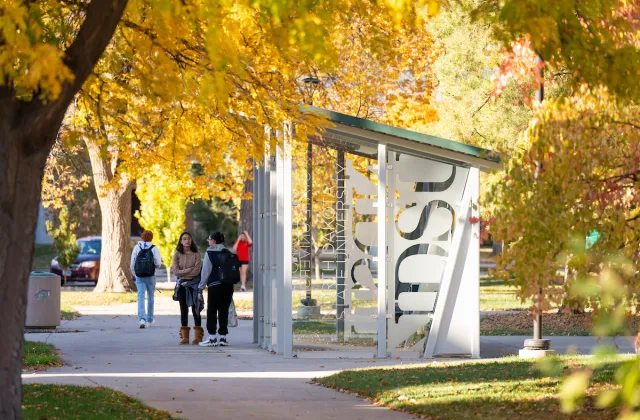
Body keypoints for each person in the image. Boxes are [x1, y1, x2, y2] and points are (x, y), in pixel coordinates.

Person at [199, 232, 234, 347]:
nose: (208, 241)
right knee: (224, 311)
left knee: (212, 311)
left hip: (214, 285)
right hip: (228, 286)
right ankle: (223, 337)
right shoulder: (228, 252)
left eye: (209, 239)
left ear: (213, 241)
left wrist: (201, 287)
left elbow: (205, 272)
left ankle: (212, 337)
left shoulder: (210, 253)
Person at [172, 232, 204, 345]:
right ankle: (185, 337)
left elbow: (197, 271)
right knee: (183, 310)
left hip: (194, 285)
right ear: (181, 241)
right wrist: (188, 270)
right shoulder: (177, 254)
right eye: (184, 239)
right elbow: (175, 271)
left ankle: (198, 337)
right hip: (181, 285)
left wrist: (184, 272)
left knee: (196, 310)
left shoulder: (197, 254)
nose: (187, 241)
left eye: (189, 239)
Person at [130, 230, 162, 329]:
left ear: (142, 238)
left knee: (140, 296)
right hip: (151, 276)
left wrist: (135, 274)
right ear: (152, 238)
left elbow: (132, 263)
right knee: (151, 297)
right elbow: (158, 263)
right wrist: (152, 268)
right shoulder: (154, 248)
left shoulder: (137, 247)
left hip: (139, 276)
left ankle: (142, 319)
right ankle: (150, 319)